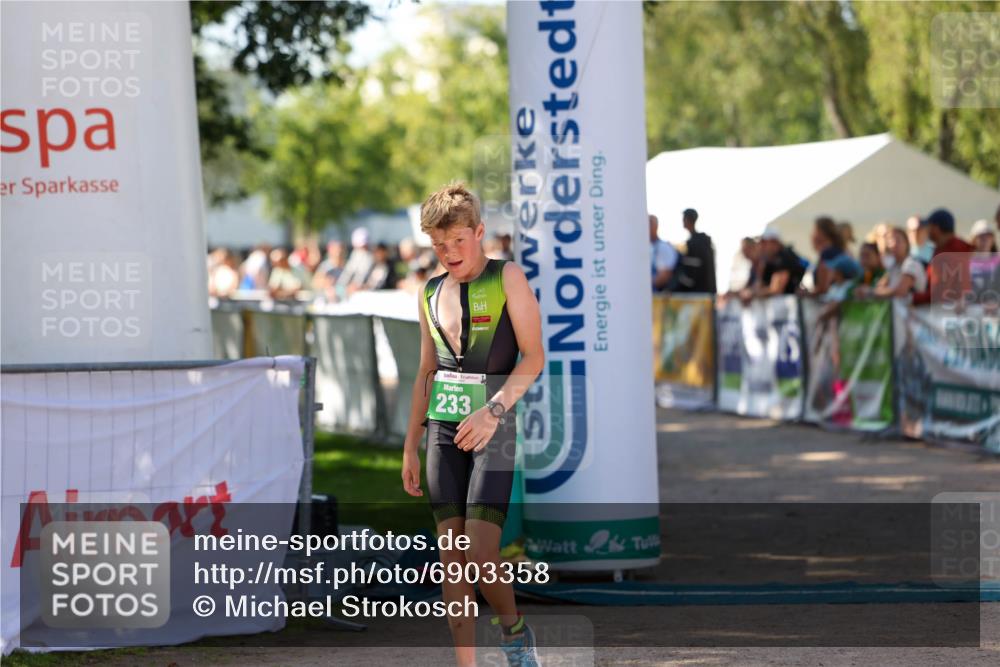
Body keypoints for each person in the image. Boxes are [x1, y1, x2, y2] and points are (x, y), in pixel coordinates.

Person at [401, 182, 543, 667]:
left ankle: (514, 633)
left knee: (482, 554)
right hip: (443, 431)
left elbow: (534, 356)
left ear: (479, 232)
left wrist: (495, 409)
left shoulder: (508, 278)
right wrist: (410, 444)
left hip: (494, 428)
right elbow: (426, 371)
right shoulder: (430, 291)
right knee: (452, 561)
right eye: (439, 245)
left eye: (458, 241)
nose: (449, 253)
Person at [913, 208, 974, 306]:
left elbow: (939, 294)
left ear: (936, 229)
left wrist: (912, 298)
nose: (926, 231)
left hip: (950, 314)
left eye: (928, 227)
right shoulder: (945, 248)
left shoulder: (953, 252)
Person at [856, 227, 927, 298]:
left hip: (912, 308)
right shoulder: (893, 266)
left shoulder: (912, 264)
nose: (894, 244)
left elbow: (900, 291)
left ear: (906, 243)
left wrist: (870, 292)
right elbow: (880, 286)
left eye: (898, 240)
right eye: (890, 241)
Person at [742, 228, 805, 300]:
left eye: (764, 242)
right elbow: (760, 285)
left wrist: (752, 293)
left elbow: (776, 289)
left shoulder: (785, 257)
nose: (761, 246)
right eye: (760, 242)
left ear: (775, 243)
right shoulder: (768, 260)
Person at [674, 208, 716, 293]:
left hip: (697, 295)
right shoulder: (703, 242)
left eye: (684, 219)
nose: (683, 221)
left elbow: (691, 276)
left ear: (688, 220)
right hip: (706, 293)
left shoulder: (695, 244)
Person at [809, 216, 845, 295]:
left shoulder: (828, 254)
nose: (811, 235)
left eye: (814, 231)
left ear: (821, 233)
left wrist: (808, 293)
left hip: (830, 300)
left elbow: (823, 287)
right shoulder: (838, 250)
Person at [649, 214, 679, 292]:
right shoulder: (646, 247)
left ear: (655, 226)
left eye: (649, 224)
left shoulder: (663, 247)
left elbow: (663, 278)